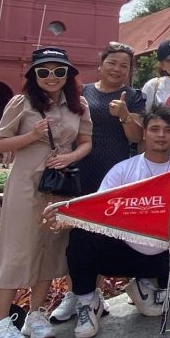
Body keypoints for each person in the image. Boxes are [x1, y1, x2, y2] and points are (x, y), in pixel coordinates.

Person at [49, 105, 170, 338]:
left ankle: (147, 287)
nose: (161, 135)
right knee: (81, 237)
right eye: (155, 129)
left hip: (162, 253)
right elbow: (98, 210)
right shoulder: (123, 170)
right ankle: (88, 303)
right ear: (144, 133)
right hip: (123, 251)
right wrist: (67, 217)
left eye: (168, 130)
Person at [0, 48, 93, 338]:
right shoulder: (22, 103)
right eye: (44, 71)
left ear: (68, 74)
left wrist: (70, 156)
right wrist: (32, 135)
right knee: (17, 248)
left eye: (59, 71)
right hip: (26, 184)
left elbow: (86, 142)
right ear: (34, 75)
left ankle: (35, 314)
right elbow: (1, 143)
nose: (51, 77)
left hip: (59, 185)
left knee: (49, 246)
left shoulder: (78, 105)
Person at [51, 41, 146, 323]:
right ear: (100, 65)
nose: (117, 69)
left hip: (114, 173)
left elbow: (137, 138)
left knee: (101, 234)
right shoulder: (82, 92)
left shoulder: (134, 97)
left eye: (124, 65)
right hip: (80, 170)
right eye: (112, 63)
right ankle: (76, 293)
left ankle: (94, 294)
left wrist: (125, 115)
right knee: (76, 234)